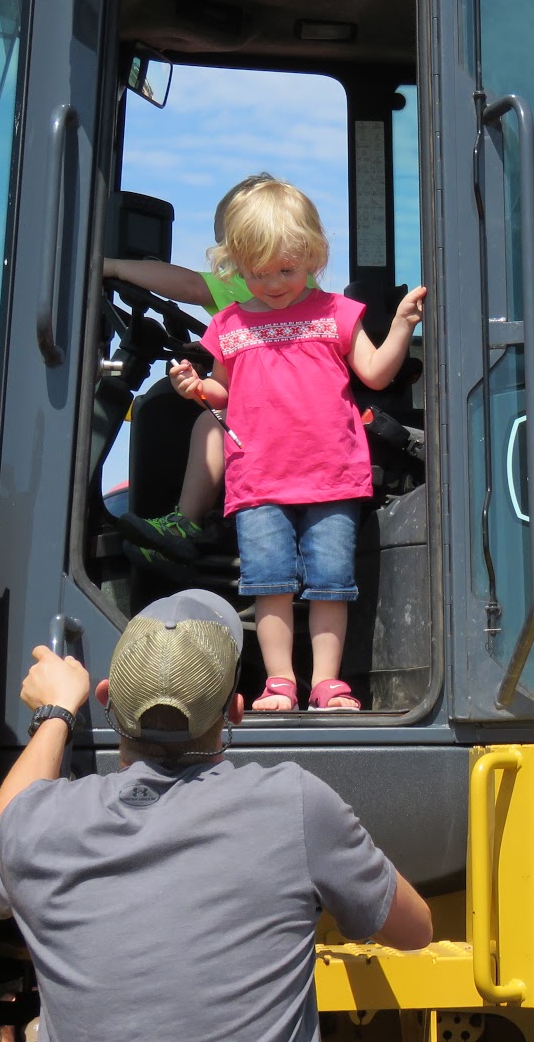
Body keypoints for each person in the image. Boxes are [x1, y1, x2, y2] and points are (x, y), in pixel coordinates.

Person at [0, 590, 432, 1042]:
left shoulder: (40, 824)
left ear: (105, 698)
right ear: (235, 708)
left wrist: (56, 712)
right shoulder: (292, 803)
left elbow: (1, 841)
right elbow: (415, 931)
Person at [170, 178, 426, 711]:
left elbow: (375, 372)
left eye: (285, 270)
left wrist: (400, 326)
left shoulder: (335, 313)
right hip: (259, 479)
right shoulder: (230, 325)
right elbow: (226, 388)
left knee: (332, 581)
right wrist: (197, 389)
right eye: (256, 274)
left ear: (312, 255)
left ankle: (328, 682)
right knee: (270, 583)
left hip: (331, 475)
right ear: (236, 268)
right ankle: (281, 681)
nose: (273, 284)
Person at [104, 172, 292, 568]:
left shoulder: (257, 282)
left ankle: (186, 524)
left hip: (274, 412)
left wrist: (115, 267)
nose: (230, 262)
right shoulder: (291, 285)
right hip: (286, 403)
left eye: (232, 246)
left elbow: (189, 286)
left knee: (208, 423)